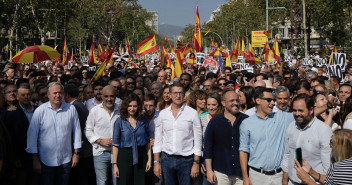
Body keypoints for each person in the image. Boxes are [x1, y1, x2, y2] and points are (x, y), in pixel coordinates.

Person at [26, 82, 82, 185]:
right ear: (48, 95)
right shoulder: (40, 111)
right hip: (46, 160)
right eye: (55, 93)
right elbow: (32, 137)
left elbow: (77, 131)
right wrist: (35, 160)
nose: (58, 95)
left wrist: (76, 153)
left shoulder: (71, 109)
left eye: (60, 93)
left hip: (66, 159)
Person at [239, 87, 294, 185]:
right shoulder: (247, 123)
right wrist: (245, 177)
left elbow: (304, 113)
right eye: (269, 100)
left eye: (273, 100)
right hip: (256, 177)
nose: (273, 103)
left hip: (278, 176)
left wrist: (328, 105)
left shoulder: (282, 117)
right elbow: (243, 151)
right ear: (257, 100)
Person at [153, 82, 202, 185]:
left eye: (180, 93)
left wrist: (196, 163)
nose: (178, 96)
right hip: (166, 159)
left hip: (186, 160)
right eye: (175, 93)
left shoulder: (192, 113)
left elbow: (198, 140)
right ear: (170, 95)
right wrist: (156, 162)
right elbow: (158, 139)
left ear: (184, 94)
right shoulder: (163, 114)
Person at [281, 94, 332, 185]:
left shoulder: (324, 130)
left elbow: (328, 168)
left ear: (311, 110)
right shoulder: (291, 126)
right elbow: (287, 156)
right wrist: (285, 181)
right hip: (292, 182)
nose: (297, 114)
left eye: (301, 110)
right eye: (294, 110)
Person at [204, 90, 248, 185]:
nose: (235, 103)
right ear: (223, 103)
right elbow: (208, 147)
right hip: (221, 171)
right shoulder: (214, 122)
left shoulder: (246, 120)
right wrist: (209, 170)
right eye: (232, 101)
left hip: (241, 172)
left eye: (237, 100)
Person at [112, 94, 152, 185]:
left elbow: (148, 141)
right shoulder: (119, 121)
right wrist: (115, 165)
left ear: (138, 107)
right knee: (124, 182)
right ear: (125, 106)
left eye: (134, 106)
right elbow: (115, 144)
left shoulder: (143, 120)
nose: (132, 108)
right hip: (124, 156)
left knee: (141, 182)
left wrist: (149, 159)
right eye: (129, 106)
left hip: (141, 155)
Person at [2, 84, 38, 185]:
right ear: (17, 97)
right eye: (23, 95)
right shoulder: (11, 113)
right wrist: (15, 158)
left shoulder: (38, 110)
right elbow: (11, 138)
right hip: (21, 156)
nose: (26, 97)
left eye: (28, 94)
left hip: (39, 155)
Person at [85, 85, 120, 185]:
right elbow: (88, 130)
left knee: (117, 181)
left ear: (116, 96)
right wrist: (100, 140)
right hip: (100, 152)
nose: (109, 99)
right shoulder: (95, 111)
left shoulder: (121, 110)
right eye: (106, 96)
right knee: (102, 182)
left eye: (112, 96)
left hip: (117, 152)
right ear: (102, 96)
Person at [64, 84, 95, 185]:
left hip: (82, 150)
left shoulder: (74, 107)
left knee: (81, 178)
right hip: (84, 149)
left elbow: (78, 129)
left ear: (67, 95)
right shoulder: (80, 104)